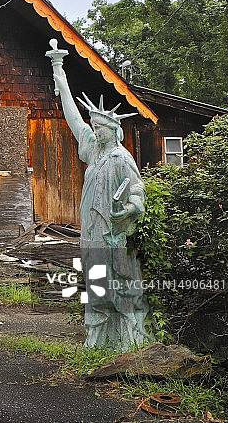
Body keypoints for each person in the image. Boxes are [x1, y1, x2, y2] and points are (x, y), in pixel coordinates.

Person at [47, 42, 149, 350]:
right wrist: (58, 70)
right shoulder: (92, 152)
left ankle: (130, 337)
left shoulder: (121, 158)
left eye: (101, 128)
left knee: (124, 282)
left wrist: (132, 206)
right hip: (92, 232)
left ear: (114, 131)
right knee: (97, 284)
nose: (95, 131)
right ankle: (99, 337)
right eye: (94, 127)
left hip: (115, 233)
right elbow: (72, 117)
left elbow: (136, 187)